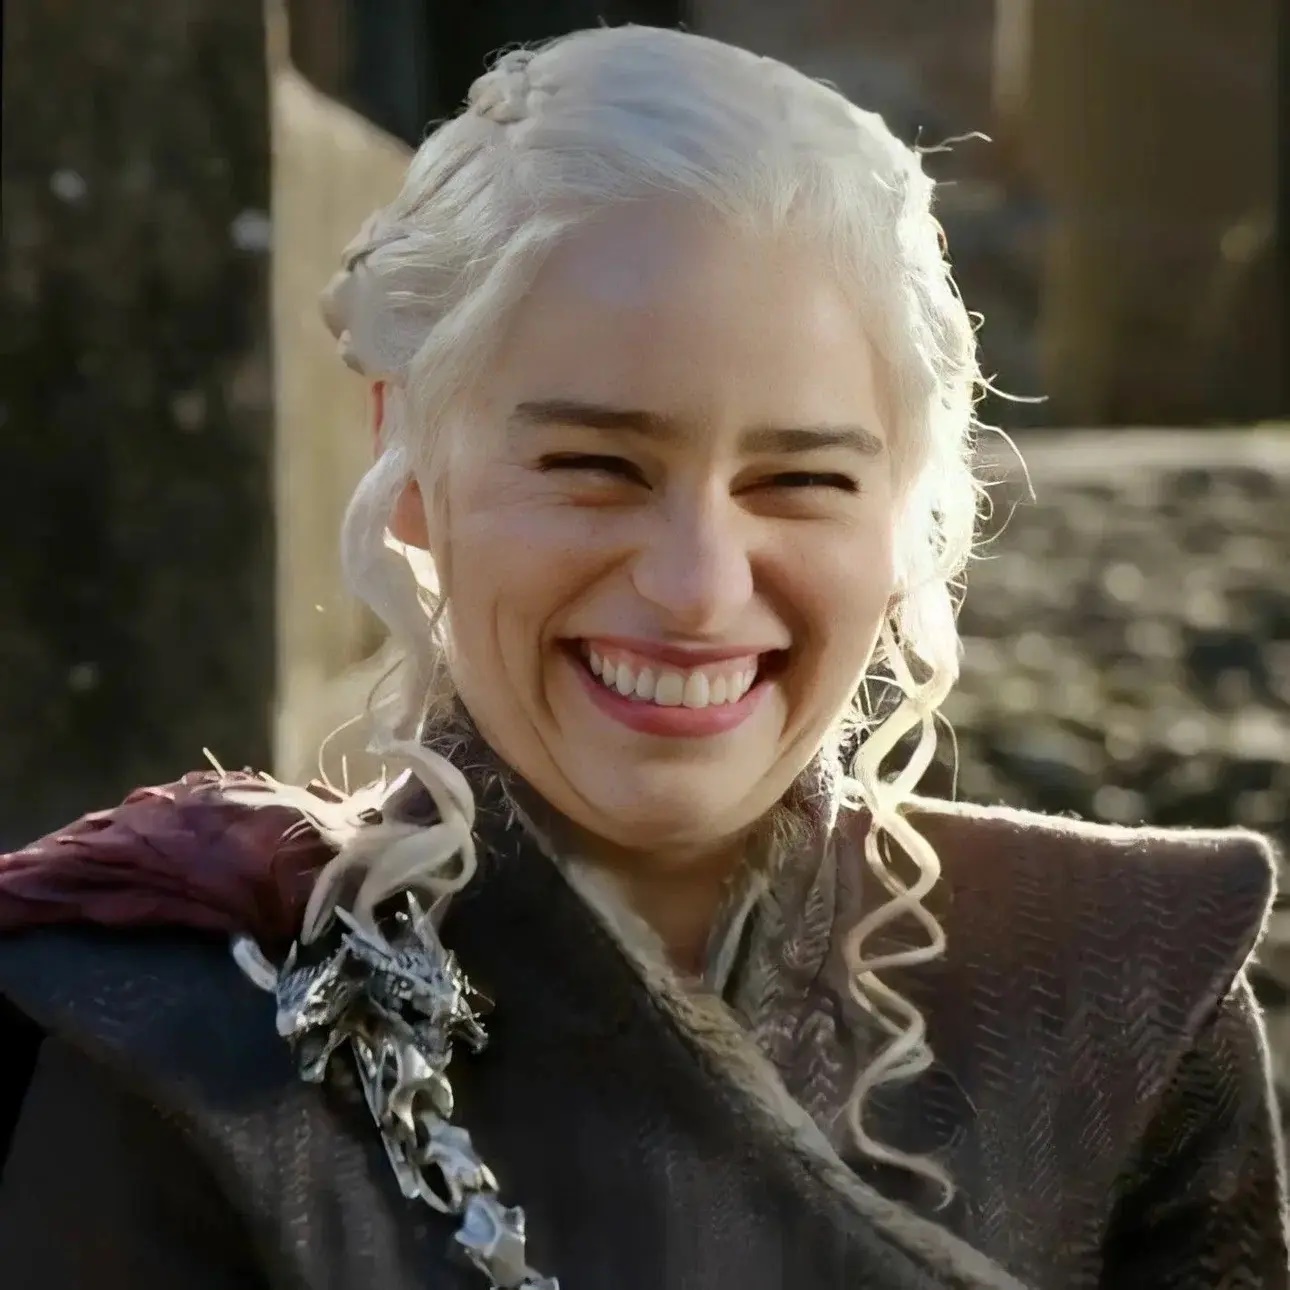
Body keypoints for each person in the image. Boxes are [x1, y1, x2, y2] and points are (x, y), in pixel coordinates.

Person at [0, 24, 1284, 1290]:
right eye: (596, 467)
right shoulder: (179, 1057)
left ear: (907, 518)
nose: (697, 588)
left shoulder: (1127, 1006)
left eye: (800, 481)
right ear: (408, 460)